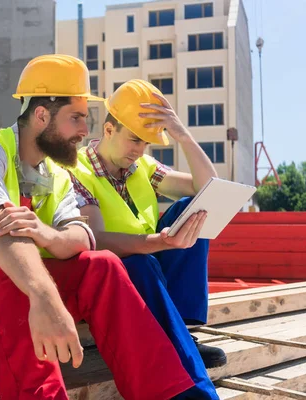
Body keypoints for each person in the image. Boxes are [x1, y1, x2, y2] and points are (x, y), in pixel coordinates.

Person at [0, 56, 207, 399]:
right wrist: (47, 298)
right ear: (41, 115)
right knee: (10, 271)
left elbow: (81, 239)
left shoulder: (57, 174)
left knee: (102, 265)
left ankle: (171, 395)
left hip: (8, 292)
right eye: (76, 118)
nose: (84, 131)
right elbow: (0, 236)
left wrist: (47, 235)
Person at [69, 78, 226, 391]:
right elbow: (95, 238)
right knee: (142, 264)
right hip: (114, 280)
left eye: (145, 143)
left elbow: (208, 187)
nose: (139, 150)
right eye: (134, 140)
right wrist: (156, 243)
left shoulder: (142, 166)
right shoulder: (76, 170)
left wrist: (183, 135)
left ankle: (181, 330)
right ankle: (175, 348)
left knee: (192, 208)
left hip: (149, 265)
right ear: (109, 129)